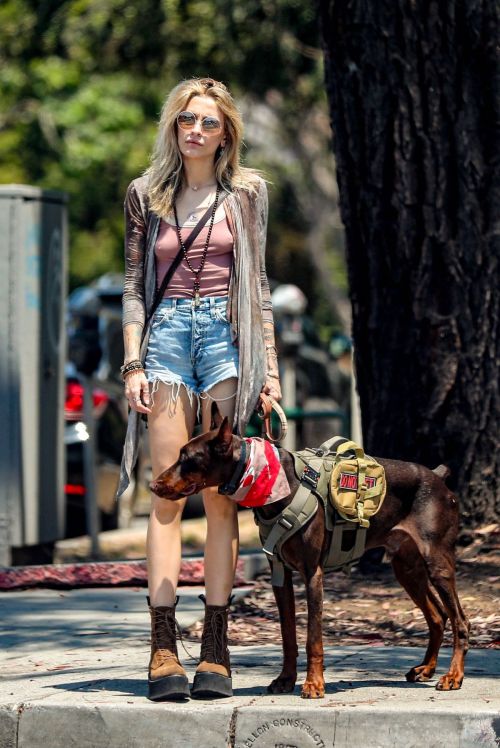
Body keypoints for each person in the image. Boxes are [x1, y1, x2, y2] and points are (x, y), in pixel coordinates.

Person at [116, 77, 282, 701]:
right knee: (166, 492)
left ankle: (215, 646)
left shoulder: (247, 194)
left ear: (226, 133)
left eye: (209, 122)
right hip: (163, 341)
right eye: (186, 119)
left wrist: (268, 369)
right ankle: (163, 649)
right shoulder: (145, 194)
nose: (196, 130)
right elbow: (135, 284)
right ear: (172, 126)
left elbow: (258, 283)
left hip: (225, 337)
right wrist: (132, 363)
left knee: (219, 499)